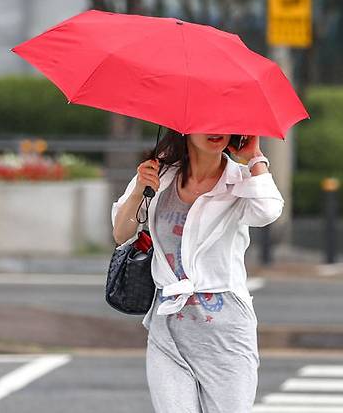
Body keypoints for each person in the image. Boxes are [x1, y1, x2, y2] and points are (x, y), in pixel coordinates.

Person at [111, 130, 284, 412]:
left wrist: (255, 159)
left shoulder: (240, 181)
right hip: (168, 329)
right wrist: (139, 190)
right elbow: (122, 233)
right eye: (207, 122)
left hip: (225, 331)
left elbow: (268, 212)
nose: (216, 130)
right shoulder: (160, 176)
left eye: (224, 122)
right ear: (186, 127)